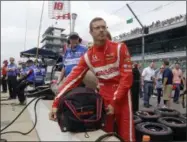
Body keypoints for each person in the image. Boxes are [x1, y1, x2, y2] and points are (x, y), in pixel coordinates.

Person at [49, 17, 135, 141]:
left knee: (127, 135)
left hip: (122, 98)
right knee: (104, 135)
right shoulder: (87, 57)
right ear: (91, 32)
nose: (101, 30)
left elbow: (127, 78)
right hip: (103, 97)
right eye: (97, 28)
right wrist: (56, 102)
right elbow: (72, 80)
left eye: (103, 27)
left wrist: (115, 102)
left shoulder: (120, 48)